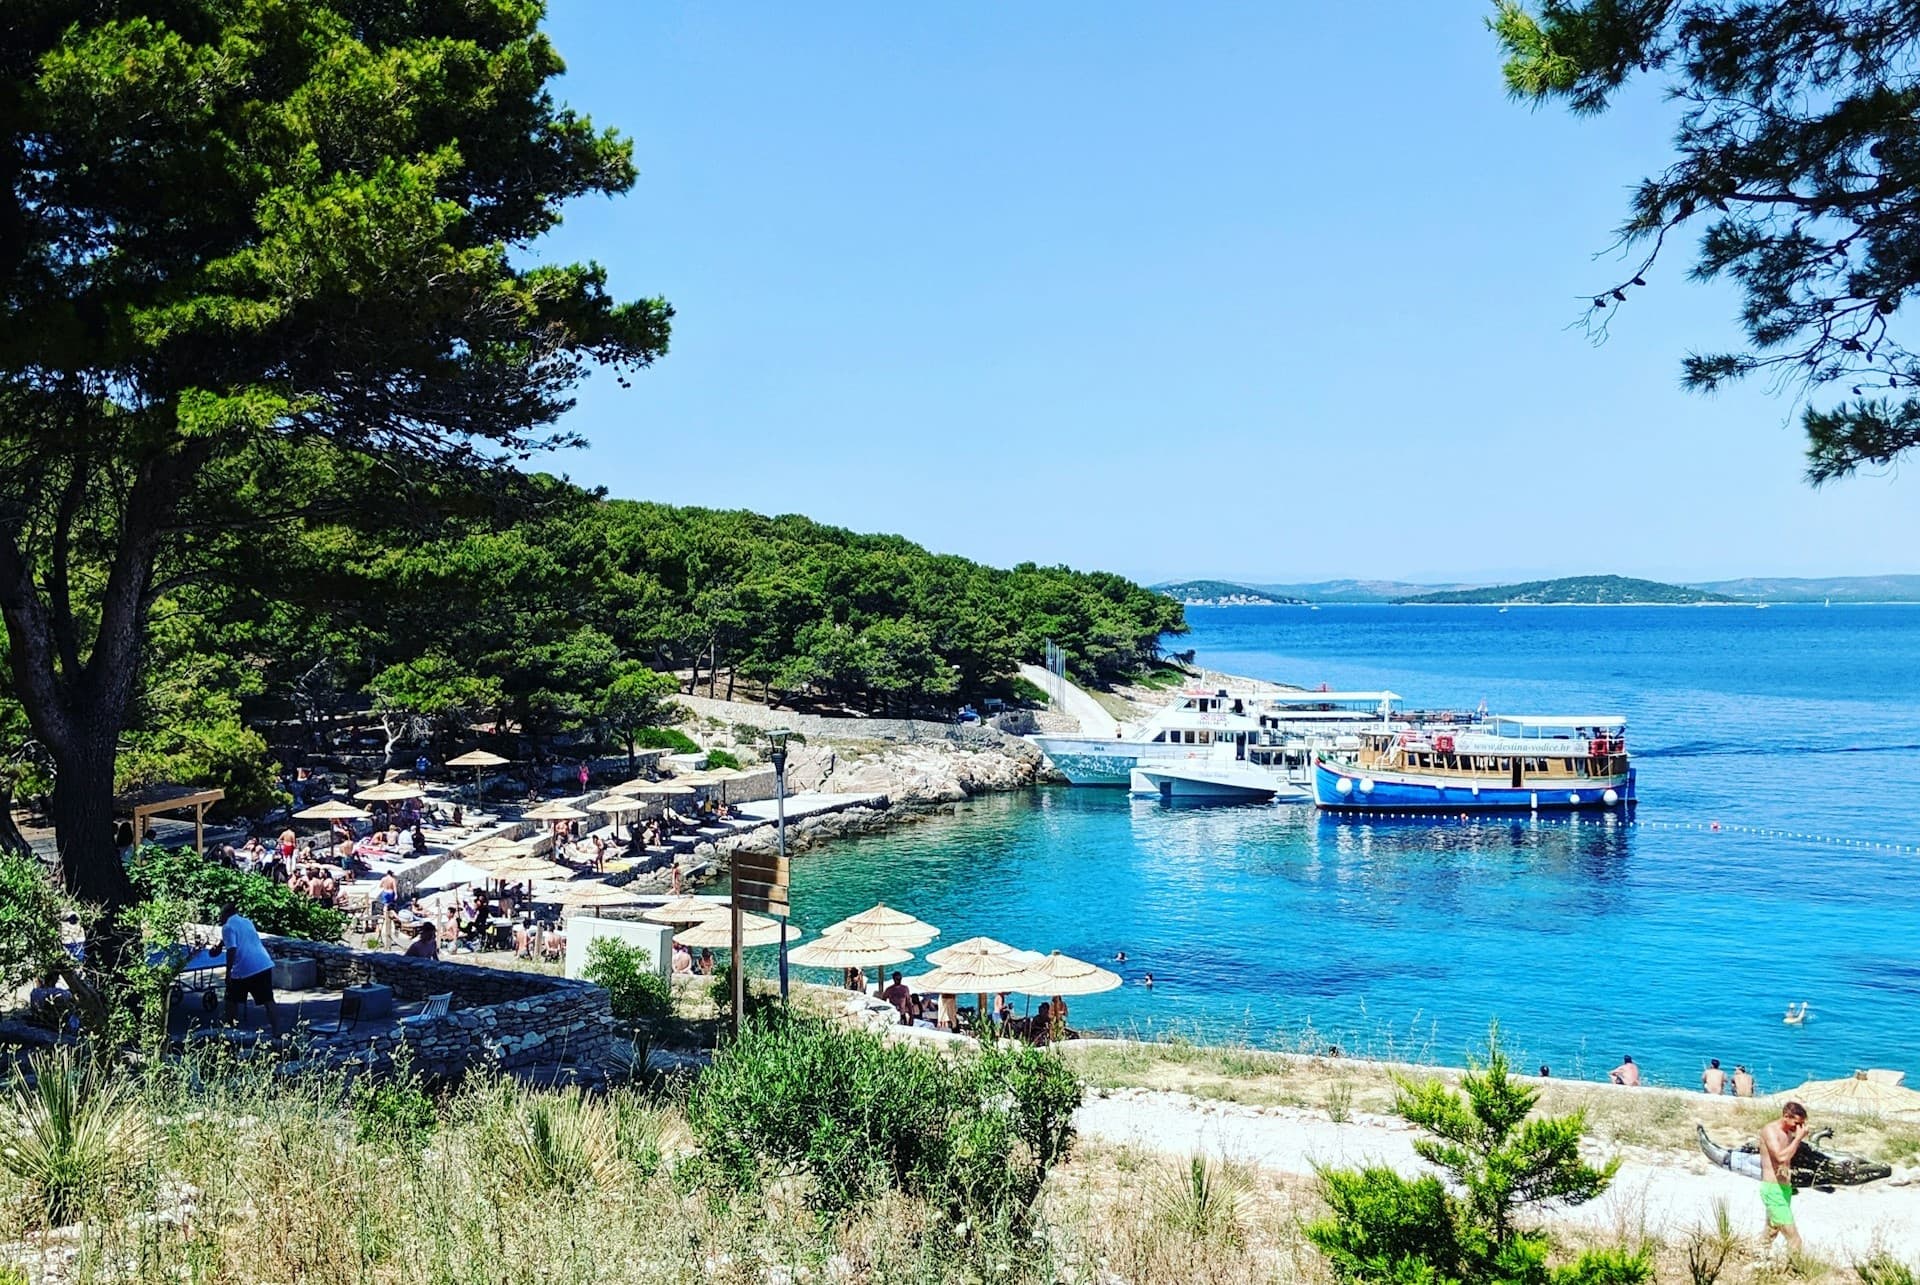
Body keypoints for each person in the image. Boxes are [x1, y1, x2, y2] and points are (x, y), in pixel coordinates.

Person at [215, 904, 279, 1032]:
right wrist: (221, 943)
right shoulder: (247, 922)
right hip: (263, 964)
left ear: (225, 914)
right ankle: (277, 1031)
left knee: (231, 999)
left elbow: (232, 949)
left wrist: (228, 972)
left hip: (245, 967)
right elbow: (242, 937)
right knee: (268, 1000)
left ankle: (231, 1030)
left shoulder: (227, 927)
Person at [1759, 1102, 1810, 1252]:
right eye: (1797, 1123)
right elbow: (1780, 1158)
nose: (1799, 1128)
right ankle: (1796, 1266)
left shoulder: (1788, 1133)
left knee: (1771, 1231)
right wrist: (1798, 1139)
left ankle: (1756, 1258)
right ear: (1786, 1116)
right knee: (1795, 1240)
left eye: (1802, 1124)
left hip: (1784, 1189)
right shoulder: (1770, 1131)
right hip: (1772, 1189)